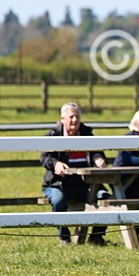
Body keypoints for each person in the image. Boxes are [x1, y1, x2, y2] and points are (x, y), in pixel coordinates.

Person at [40, 102, 108, 245]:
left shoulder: (87, 134)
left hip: (86, 184)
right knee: (58, 201)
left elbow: (96, 153)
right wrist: (56, 164)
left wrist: (99, 160)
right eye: (71, 117)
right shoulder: (53, 135)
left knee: (105, 198)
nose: (74, 120)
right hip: (59, 184)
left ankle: (96, 236)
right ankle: (64, 238)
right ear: (62, 119)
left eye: (77, 117)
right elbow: (45, 158)